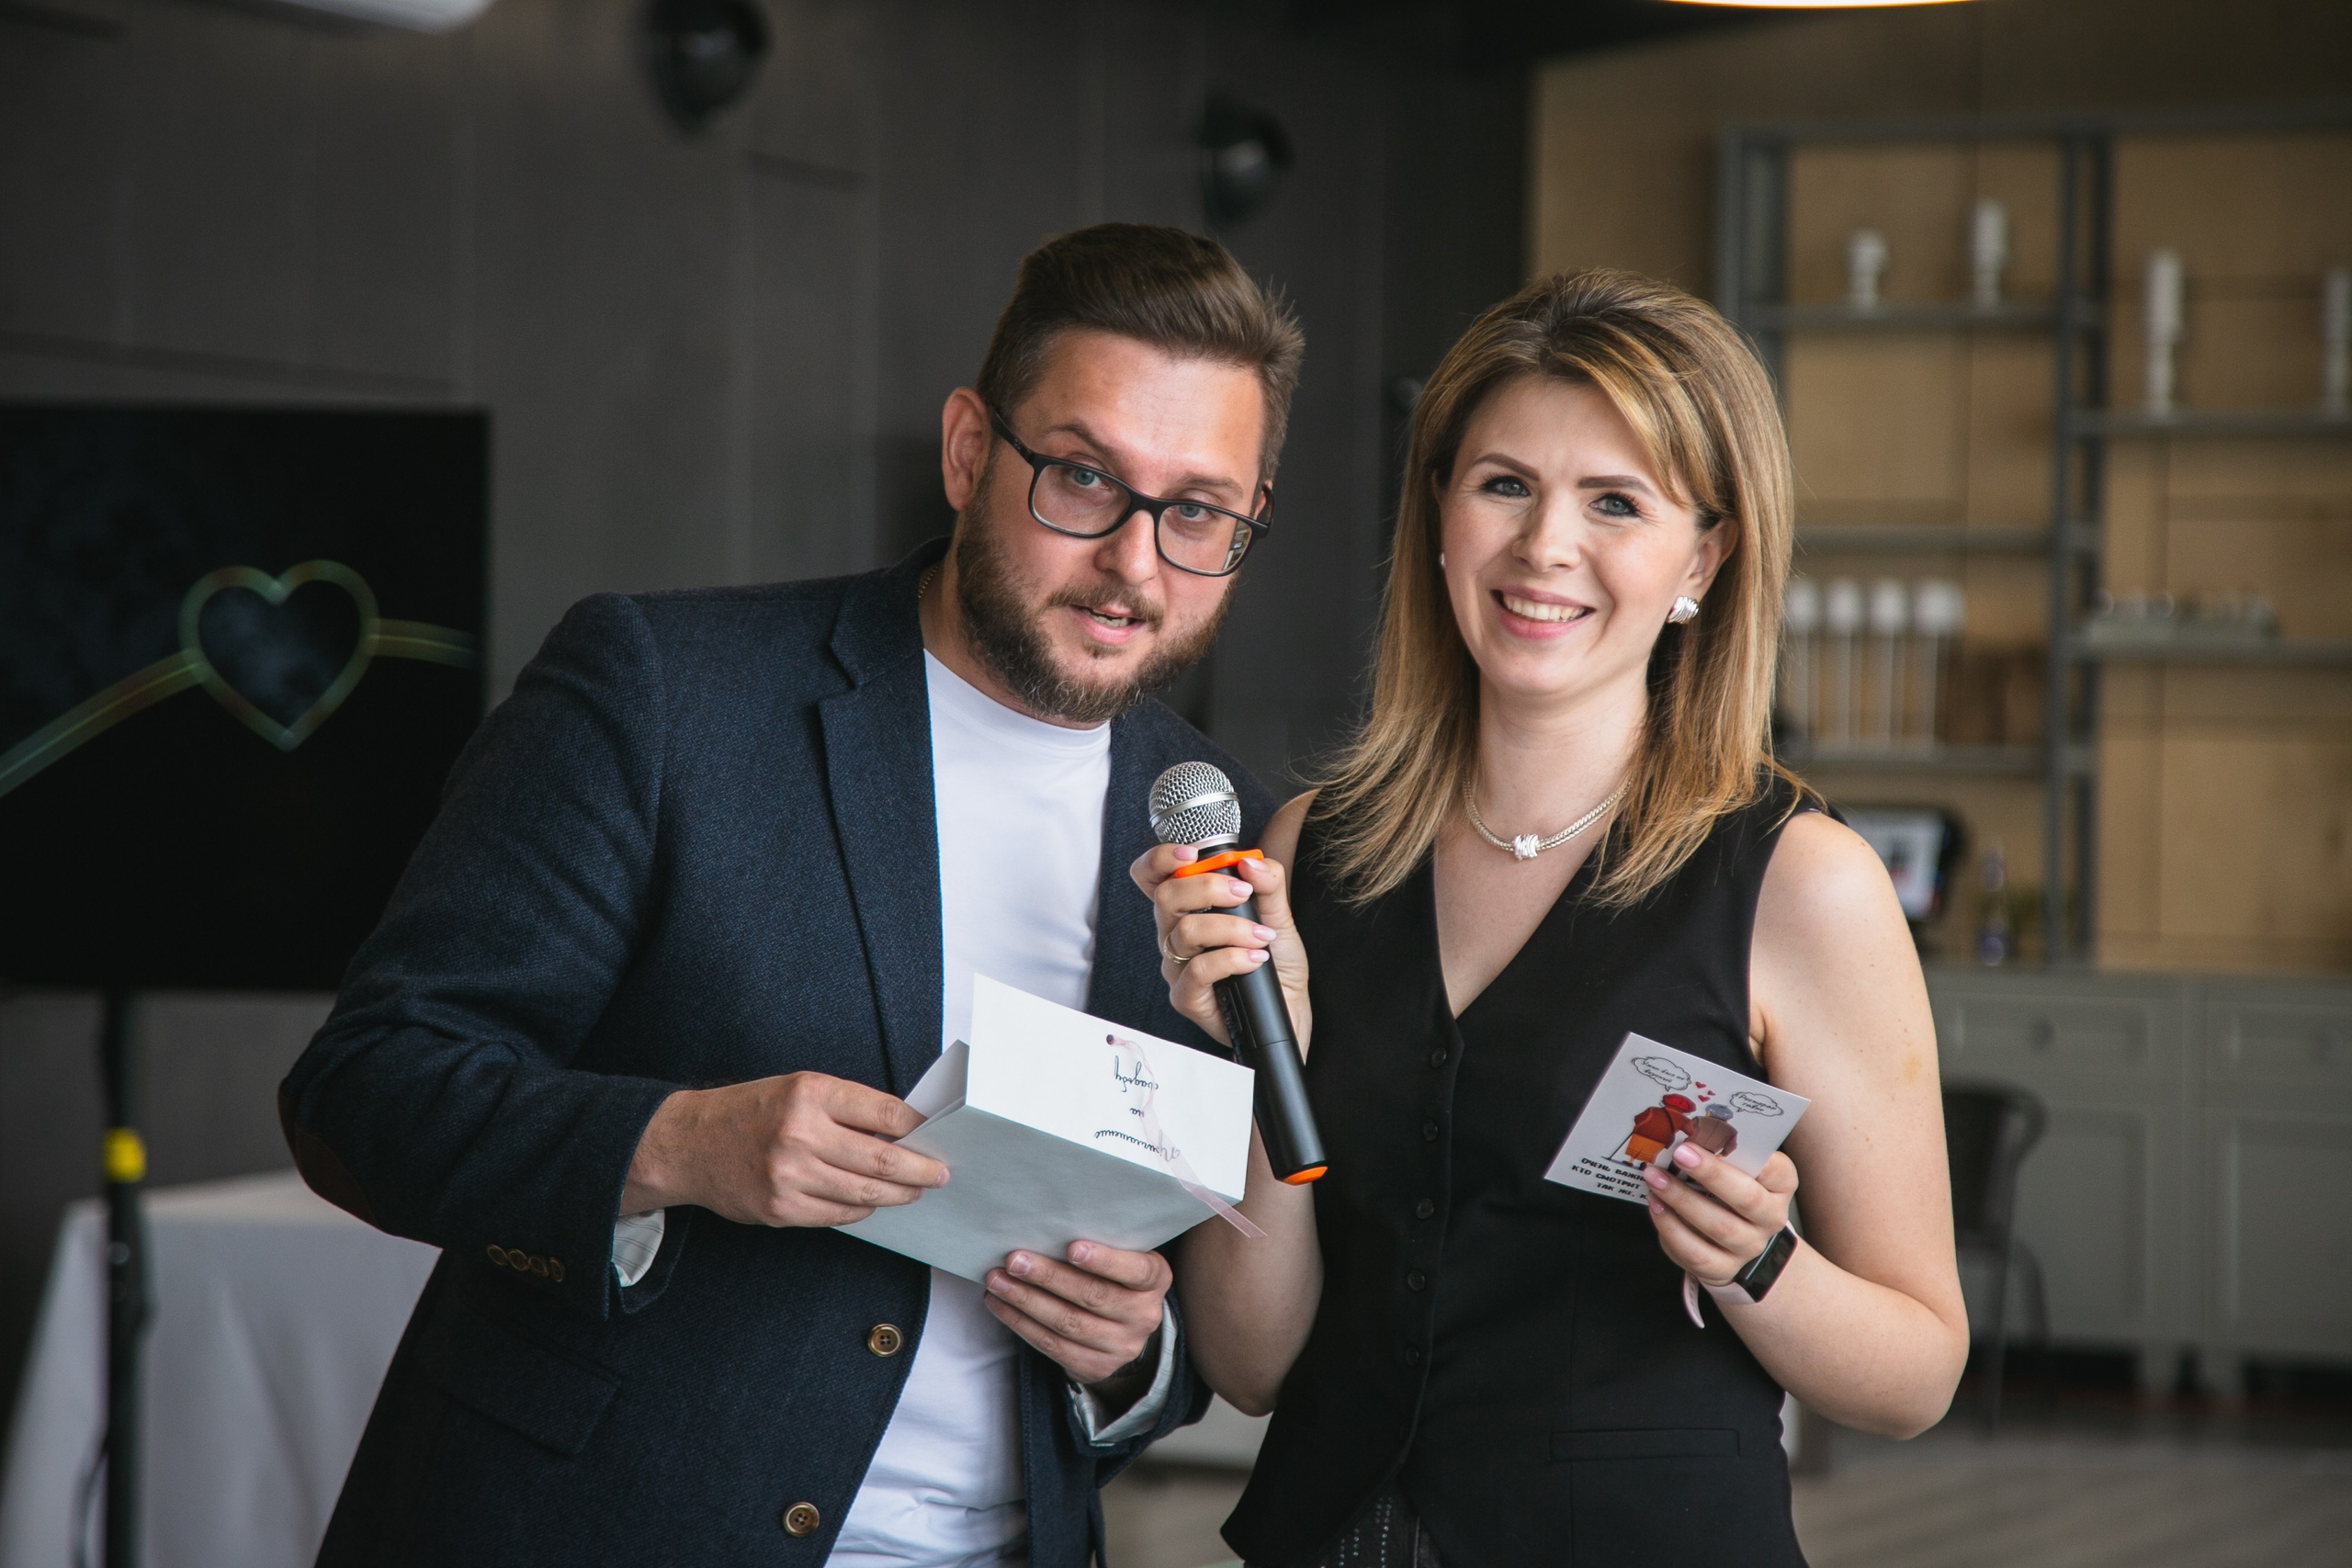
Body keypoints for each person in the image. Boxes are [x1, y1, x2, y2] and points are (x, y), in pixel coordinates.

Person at [277, 222, 1298, 1567]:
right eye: (1084, 480)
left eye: (1199, 512)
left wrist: (1129, 1358)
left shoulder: (1207, 813)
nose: (1136, 562)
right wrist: (679, 1145)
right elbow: (362, 1095)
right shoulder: (665, 689)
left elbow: (1175, 1325)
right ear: (966, 451)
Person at [1136, 269, 1969, 1566]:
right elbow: (1250, 1365)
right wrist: (1262, 1064)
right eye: (1504, 484)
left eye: (1616, 503)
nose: (1544, 549)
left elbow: (1917, 1373)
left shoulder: (1802, 885)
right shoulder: (1310, 850)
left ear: (1704, 557)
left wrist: (1763, 1266)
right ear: (1439, 515)